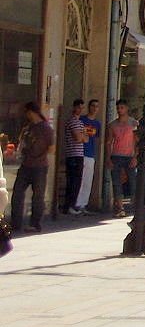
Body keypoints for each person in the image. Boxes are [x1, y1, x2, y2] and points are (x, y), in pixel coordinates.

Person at [10, 102, 54, 233]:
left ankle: (35, 224)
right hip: (26, 165)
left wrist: (38, 154)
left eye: (27, 112)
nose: (26, 115)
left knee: (38, 196)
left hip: (40, 166)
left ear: (31, 112)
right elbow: (21, 143)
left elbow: (51, 149)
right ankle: (15, 222)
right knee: (17, 194)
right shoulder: (28, 127)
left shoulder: (46, 128)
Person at [76, 99, 102, 212]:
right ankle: (76, 203)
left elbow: (96, 138)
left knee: (88, 180)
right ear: (89, 107)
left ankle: (83, 204)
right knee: (79, 179)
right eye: (92, 106)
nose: (94, 108)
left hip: (91, 154)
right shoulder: (82, 120)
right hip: (80, 152)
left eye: (97, 106)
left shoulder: (97, 123)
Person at [62, 99, 87, 215]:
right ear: (74, 108)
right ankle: (69, 205)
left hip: (78, 154)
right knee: (73, 181)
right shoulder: (73, 121)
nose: (80, 110)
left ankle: (70, 205)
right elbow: (79, 138)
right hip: (73, 155)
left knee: (76, 181)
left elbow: (86, 138)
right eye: (79, 108)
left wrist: (82, 136)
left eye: (82, 108)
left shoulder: (80, 122)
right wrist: (82, 136)